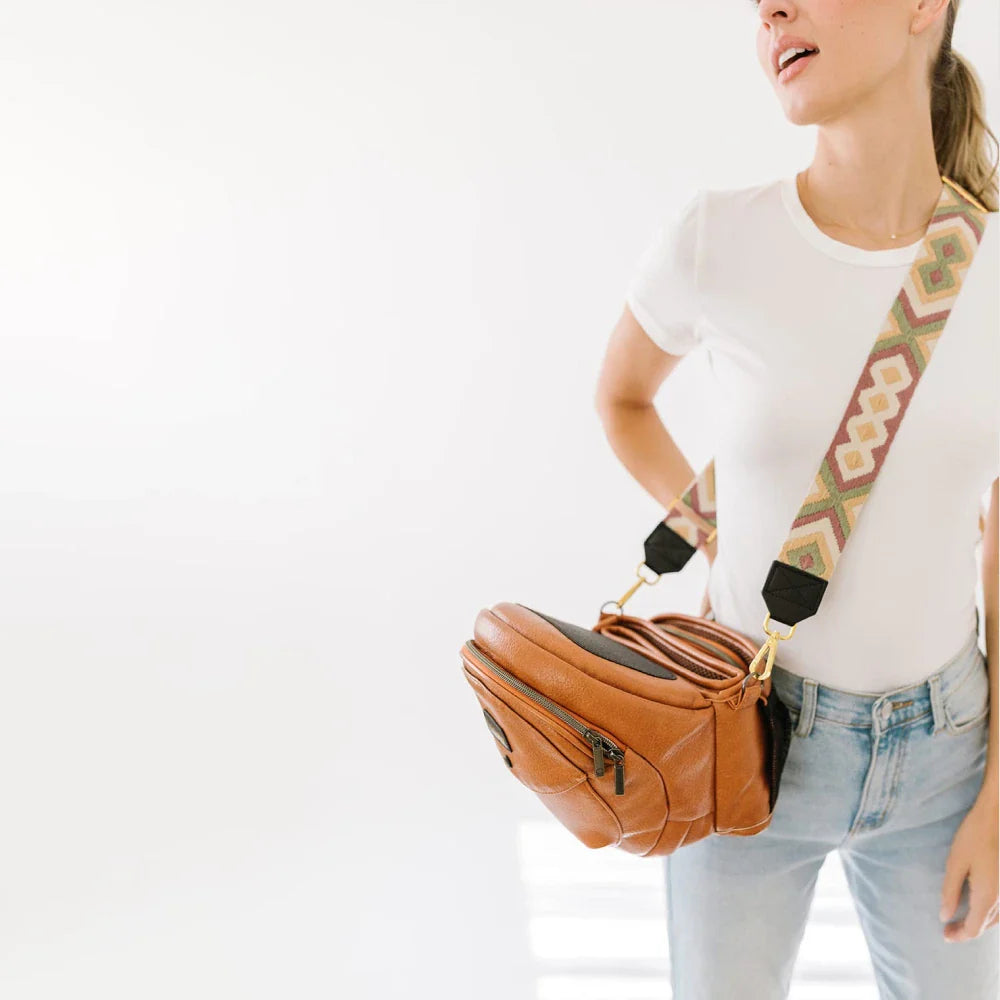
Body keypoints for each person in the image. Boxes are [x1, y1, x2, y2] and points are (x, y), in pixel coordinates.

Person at [593, 1, 999, 997]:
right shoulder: (716, 238)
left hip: (946, 756)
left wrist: (999, 795)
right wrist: (721, 536)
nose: (770, 9)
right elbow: (622, 399)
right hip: (743, 741)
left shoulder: (988, 268)